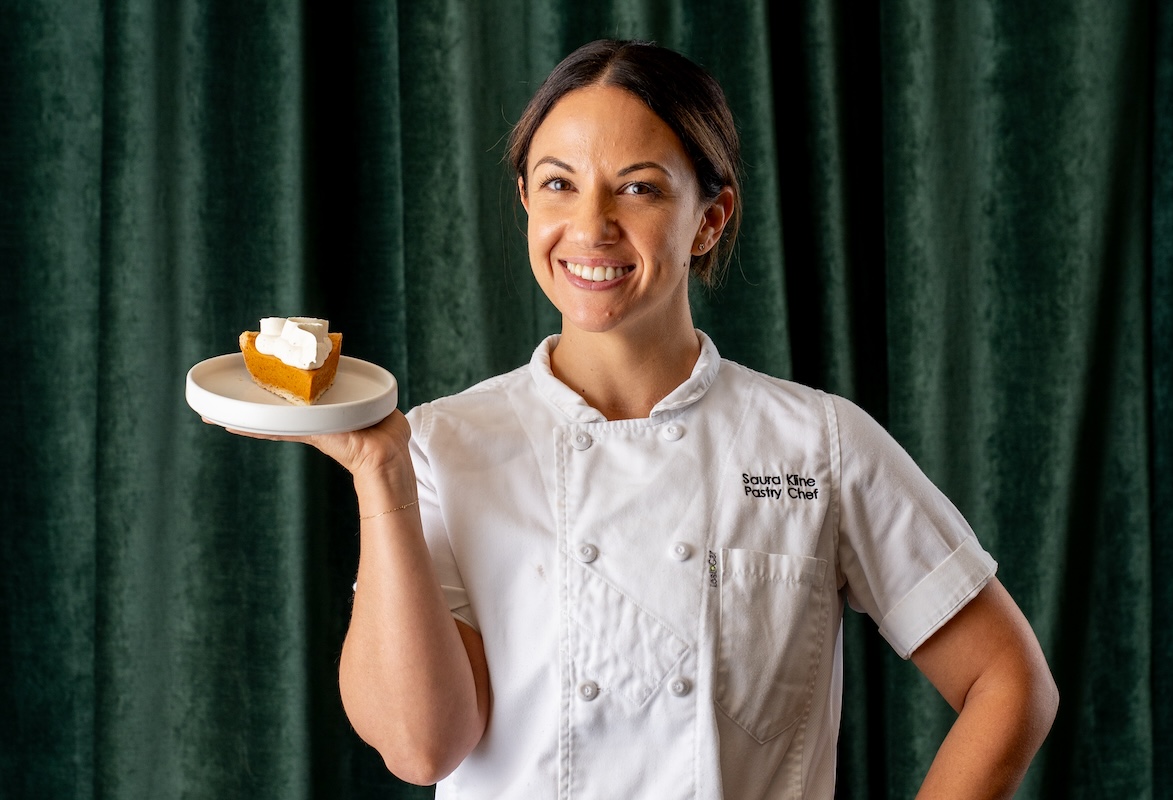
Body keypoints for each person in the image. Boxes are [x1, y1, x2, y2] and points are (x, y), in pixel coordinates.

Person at [223, 39, 1057, 799]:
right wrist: (382, 477)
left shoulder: (821, 443)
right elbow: (421, 746)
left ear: (710, 219)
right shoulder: (441, 444)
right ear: (524, 200)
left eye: (640, 188)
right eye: (559, 183)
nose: (591, 226)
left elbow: (1010, 682)